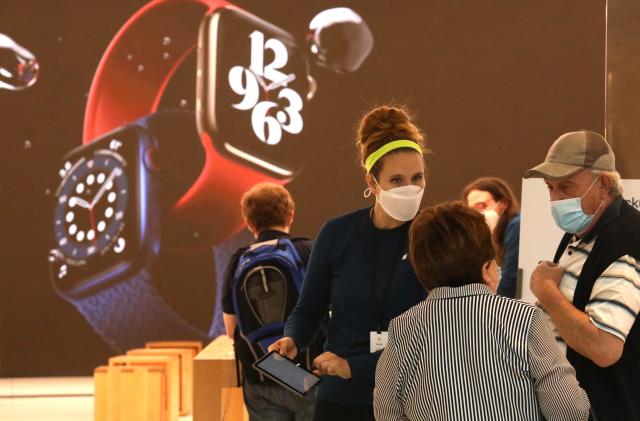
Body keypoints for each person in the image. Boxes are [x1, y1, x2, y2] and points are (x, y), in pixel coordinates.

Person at [269, 105, 428, 420]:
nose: (410, 188)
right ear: (372, 180)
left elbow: (435, 334)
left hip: (411, 397)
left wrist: (352, 366)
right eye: (396, 179)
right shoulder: (337, 233)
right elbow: (309, 308)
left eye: (417, 177)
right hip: (341, 399)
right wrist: (293, 338)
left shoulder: (432, 238)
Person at [374, 201, 591, 420]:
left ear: (422, 273)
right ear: (487, 269)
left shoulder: (402, 330)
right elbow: (570, 411)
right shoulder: (523, 320)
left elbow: (386, 414)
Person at [523, 130, 640, 420]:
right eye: (550, 188)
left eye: (566, 187)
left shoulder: (626, 240)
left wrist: (546, 291)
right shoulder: (582, 231)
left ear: (603, 184)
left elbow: (604, 347)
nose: (555, 199)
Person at [221, 182, 318, 421]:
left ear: (248, 221)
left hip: (262, 373)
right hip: (308, 375)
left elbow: (231, 329)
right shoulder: (306, 251)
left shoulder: (237, 260)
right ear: (290, 214)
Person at [462, 177, 521, 297]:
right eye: (472, 211)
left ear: (503, 203)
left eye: (482, 206)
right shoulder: (496, 237)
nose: (478, 215)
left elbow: (510, 279)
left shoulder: (516, 225)